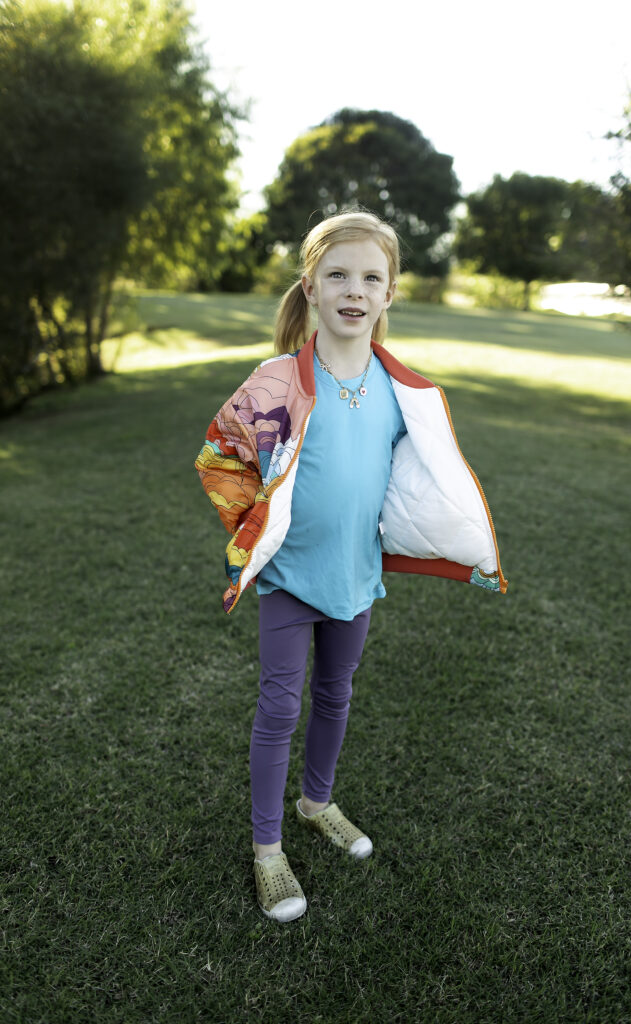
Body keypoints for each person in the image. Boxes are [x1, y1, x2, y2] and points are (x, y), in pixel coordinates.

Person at [195, 209, 507, 923]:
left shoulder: (404, 393)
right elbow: (221, 457)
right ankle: (267, 849)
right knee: (279, 706)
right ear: (309, 287)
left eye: (371, 277)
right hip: (289, 578)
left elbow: (416, 475)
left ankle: (316, 803)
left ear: (389, 294)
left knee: (335, 693)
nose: (354, 289)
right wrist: (257, 529)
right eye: (337, 274)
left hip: (355, 576)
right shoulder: (279, 381)